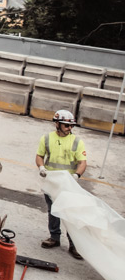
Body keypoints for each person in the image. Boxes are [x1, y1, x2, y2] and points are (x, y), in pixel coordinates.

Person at [36, 110, 87, 260]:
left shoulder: (77, 142)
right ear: (57, 124)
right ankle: (54, 238)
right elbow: (39, 156)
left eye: (71, 126)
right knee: (53, 211)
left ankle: (74, 244)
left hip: (68, 183)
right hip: (51, 182)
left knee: (70, 214)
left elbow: (82, 162)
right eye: (66, 125)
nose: (69, 128)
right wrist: (41, 167)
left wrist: (76, 175)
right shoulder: (46, 138)